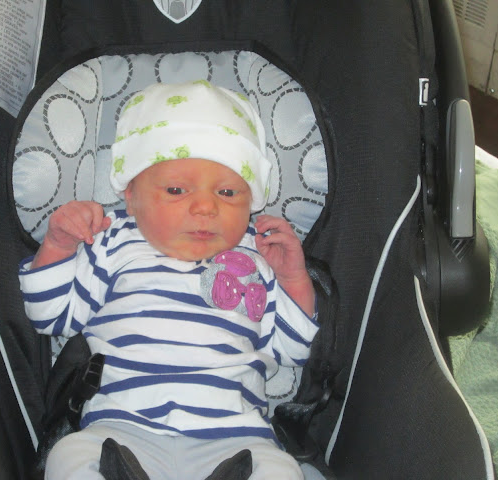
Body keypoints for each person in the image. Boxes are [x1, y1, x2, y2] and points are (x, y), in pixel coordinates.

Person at [19, 81, 319, 479]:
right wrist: (58, 245)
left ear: (252, 200)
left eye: (228, 192)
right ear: (131, 196)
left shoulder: (259, 255)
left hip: (235, 439)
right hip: (121, 432)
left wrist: (293, 276)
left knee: (281, 471)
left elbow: (293, 348)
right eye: (176, 189)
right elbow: (50, 316)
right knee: (69, 456)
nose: (205, 206)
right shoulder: (110, 242)